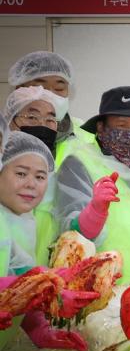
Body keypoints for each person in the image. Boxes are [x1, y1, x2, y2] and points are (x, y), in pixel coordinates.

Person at [54, 86, 130, 285]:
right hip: (104, 297)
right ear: (101, 127)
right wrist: (94, 211)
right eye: (122, 124)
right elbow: (69, 239)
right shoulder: (80, 163)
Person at [0, 131, 97, 351]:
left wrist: (41, 331)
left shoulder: (20, 221)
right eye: (21, 173)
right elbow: (21, 285)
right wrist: (43, 287)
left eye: (40, 177)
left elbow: (20, 273)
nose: (31, 184)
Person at [4, 86, 70, 265]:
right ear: (10, 121)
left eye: (50, 119)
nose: (43, 124)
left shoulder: (59, 167)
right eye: (32, 117)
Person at [7, 51, 93, 166]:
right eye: (40, 87)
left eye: (59, 88)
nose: (50, 95)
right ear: (19, 90)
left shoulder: (85, 137)